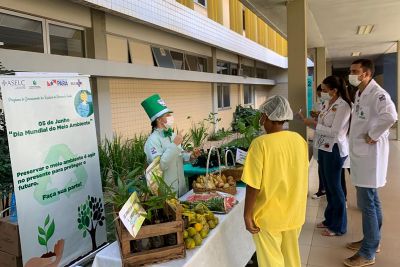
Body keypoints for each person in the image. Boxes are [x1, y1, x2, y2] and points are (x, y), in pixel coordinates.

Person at [242, 95, 309, 267]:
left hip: (268, 217)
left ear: (266, 117)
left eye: (262, 116)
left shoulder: (260, 144)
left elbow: (253, 184)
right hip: (295, 213)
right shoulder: (299, 140)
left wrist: (247, 214)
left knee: (272, 262)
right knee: (291, 260)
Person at [344, 59, 397, 267]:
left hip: (370, 157)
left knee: (368, 204)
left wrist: (373, 135)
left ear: (366, 74)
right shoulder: (360, 92)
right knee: (372, 201)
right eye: (351, 71)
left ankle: (367, 253)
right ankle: (372, 242)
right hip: (361, 154)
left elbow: (391, 116)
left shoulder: (378, 94)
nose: (351, 74)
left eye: (355, 71)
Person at [311, 76, 351, 236]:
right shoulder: (329, 103)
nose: (322, 93)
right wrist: (317, 120)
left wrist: (313, 125)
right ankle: (329, 219)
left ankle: (339, 226)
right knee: (328, 186)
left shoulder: (344, 106)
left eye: (325, 90)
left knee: (335, 188)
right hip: (324, 147)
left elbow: (335, 131)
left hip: (334, 149)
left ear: (334, 90)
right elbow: (325, 122)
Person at [141, 94, 200, 197]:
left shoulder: (172, 135)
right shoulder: (152, 141)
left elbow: (179, 155)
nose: (170, 117)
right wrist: (174, 144)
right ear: (159, 119)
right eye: (167, 115)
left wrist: (191, 156)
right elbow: (160, 166)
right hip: (166, 192)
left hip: (181, 188)